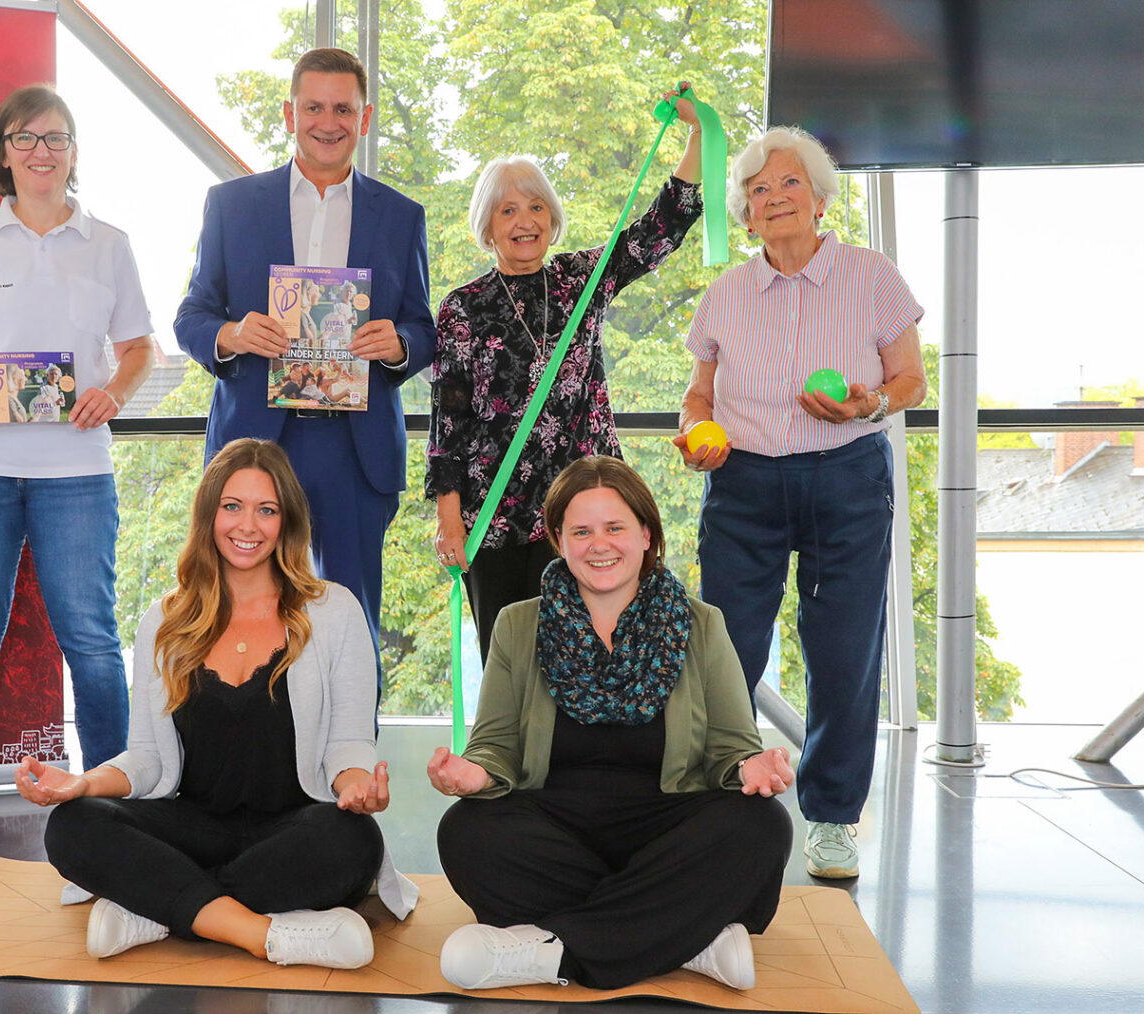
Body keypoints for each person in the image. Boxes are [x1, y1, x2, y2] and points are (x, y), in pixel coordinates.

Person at [13, 439, 417, 967]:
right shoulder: (164, 621)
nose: (247, 526)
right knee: (73, 825)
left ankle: (157, 911)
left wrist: (356, 787)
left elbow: (348, 742)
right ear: (209, 515)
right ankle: (256, 930)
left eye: (266, 510)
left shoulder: (334, 611)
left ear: (286, 521)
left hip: (293, 829)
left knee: (353, 841)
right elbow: (147, 759)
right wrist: (83, 783)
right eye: (232, 506)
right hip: (192, 828)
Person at [427, 456, 794, 992]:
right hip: (556, 825)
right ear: (559, 540)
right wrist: (476, 776)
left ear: (646, 534)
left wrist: (749, 766)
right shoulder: (518, 623)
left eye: (615, 527)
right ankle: (690, 938)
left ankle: (551, 953)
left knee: (761, 828)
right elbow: (495, 746)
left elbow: (732, 747)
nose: (599, 545)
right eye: (581, 531)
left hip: (666, 822)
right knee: (466, 831)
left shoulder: (701, 623)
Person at [0, 84, 155, 861]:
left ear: (74, 153)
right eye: (25, 138)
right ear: (3, 154)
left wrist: (115, 391)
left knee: (90, 636)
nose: (41, 151)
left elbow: (139, 345)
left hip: (76, 472)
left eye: (55, 138)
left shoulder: (108, 242)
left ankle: (116, 793)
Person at [674, 125, 927, 880]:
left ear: (819, 200)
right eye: (758, 189)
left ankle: (832, 817)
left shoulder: (871, 274)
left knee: (843, 650)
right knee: (724, 649)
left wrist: (866, 403)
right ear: (746, 216)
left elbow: (911, 380)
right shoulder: (724, 295)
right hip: (744, 484)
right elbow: (696, 396)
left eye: (789, 184)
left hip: (846, 478)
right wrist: (695, 435)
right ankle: (715, 797)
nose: (774, 197)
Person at [173, 47, 436, 657]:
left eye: (343, 108)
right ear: (289, 116)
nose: (328, 120)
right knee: (239, 619)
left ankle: (351, 754)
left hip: (356, 446)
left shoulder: (401, 216)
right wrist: (233, 334)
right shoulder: (231, 205)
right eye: (313, 106)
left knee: (352, 623)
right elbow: (191, 317)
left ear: (364, 119)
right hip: (257, 444)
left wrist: (398, 345)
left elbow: (423, 328)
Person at [427, 88, 703, 664]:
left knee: (594, 654)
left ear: (552, 220)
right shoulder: (461, 306)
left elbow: (659, 230)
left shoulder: (582, 278)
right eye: (507, 210)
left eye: (535, 208)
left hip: (586, 508)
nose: (523, 221)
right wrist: (449, 521)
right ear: (487, 227)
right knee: (509, 662)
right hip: (493, 513)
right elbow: (446, 423)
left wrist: (698, 136)